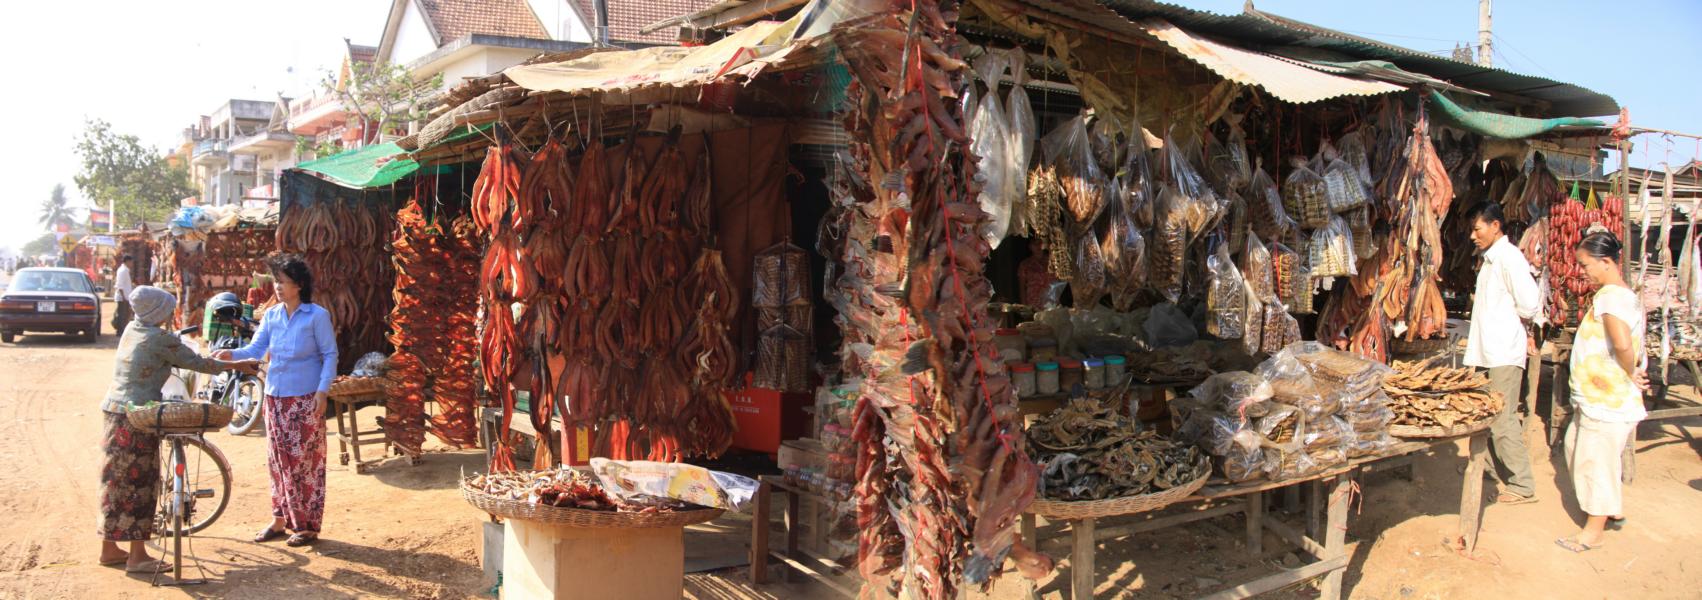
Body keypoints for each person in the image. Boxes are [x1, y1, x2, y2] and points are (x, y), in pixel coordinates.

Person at [97, 286, 260, 573]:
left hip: (114, 413)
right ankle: (138, 557)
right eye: (167, 308)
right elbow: (199, 363)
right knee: (141, 484)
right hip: (138, 418)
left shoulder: (132, 329)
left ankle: (109, 549)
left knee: (115, 483)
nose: (172, 313)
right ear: (158, 312)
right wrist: (240, 364)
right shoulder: (159, 339)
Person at [216, 253, 336, 547]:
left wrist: (322, 392)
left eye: (283, 282)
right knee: (277, 461)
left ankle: (306, 525)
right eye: (277, 282)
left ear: (299, 285)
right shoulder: (271, 315)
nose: (278, 287)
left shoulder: (317, 316)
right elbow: (256, 349)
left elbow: (330, 355)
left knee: (303, 463)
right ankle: (280, 519)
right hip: (274, 397)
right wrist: (231, 356)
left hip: (305, 398)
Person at [1557, 231, 1647, 552]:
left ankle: (1592, 532)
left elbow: (1623, 343)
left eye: (1585, 265)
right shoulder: (1619, 294)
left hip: (1605, 400)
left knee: (1594, 460)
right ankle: (1610, 509)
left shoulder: (1611, 296)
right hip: (1599, 398)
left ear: (1606, 262)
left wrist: (1628, 371)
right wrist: (1632, 370)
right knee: (1577, 448)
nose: (1582, 271)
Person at [1462, 202, 1543, 504]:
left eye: (1477, 228)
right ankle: (1492, 472)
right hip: (1487, 351)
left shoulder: (1509, 258)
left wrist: (1511, 323)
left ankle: (1522, 485)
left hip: (1502, 353)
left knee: (1502, 417)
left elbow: (1530, 303)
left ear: (1495, 226)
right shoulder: (1491, 259)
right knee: (1485, 413)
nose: (1473, 235)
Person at [112, 256, 135, 334]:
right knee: (121, 315)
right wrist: (123, 297)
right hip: (123, 297)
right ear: (127, 261)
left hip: (125, 296)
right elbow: (120, 285)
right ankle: (120, 331)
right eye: (131, 262)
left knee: (124, 315)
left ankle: (122, 330)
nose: (132, 264)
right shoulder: (123, 271)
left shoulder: (125, 270)